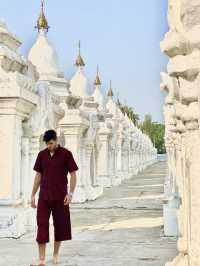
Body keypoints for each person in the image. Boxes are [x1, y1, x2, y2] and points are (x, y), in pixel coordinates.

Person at [30, 129, 79, 266]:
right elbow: (38, 176)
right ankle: (41, 259)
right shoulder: (42, 155)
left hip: (61, 197)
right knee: (42, 225)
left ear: (56, 140)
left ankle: (56, 254)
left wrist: (71, 194)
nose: (49, 146)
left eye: (51, 143)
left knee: (61, 226)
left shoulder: (66, 154)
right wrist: (33, 194)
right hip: (44, 197)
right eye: (47, 144)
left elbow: (73, 174)